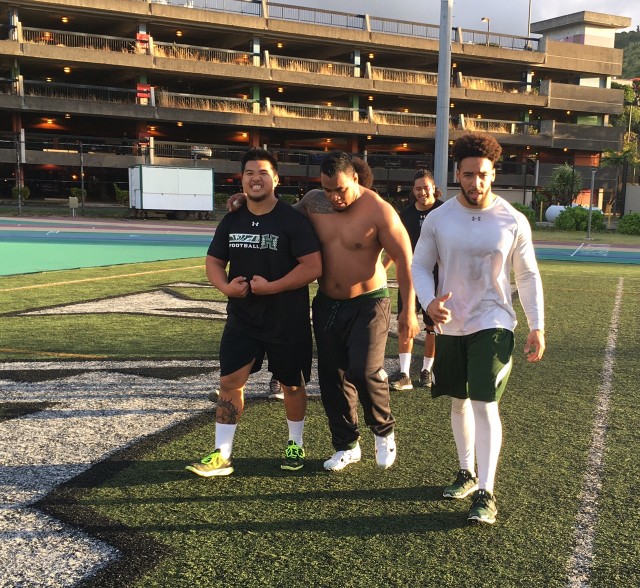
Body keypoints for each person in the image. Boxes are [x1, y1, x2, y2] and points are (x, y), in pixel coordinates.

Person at [228, 151, 418, 471]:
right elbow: (279, 216)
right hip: (328, 303)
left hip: (368, 303)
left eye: (340, 189)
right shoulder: (314, 202)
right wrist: (246, 200)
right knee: (333, 378)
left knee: (364, 370)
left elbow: (404, 260)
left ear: (355, 178)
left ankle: (383, 430)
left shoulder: (380, 212)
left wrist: (409, 312)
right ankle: (347, 444)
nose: (334, 197)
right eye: (327, 189)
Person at [412, 133, 545, 525]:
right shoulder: (439, 218)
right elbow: (420, 266)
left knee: (486, 402)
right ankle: (466, 472)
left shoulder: (512, 219)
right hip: (451, 322)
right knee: (459, 400)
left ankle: (486, 491)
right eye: (468, 175)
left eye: (483, 175)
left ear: (493, 174)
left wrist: (537, 325)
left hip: (494, 320)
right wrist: (429, 303)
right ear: (457, 174)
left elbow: (529, 274)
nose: (476, 183)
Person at [186, 148, 322, 477]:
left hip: (286, 320)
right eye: (249, 173)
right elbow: (214, 262)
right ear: (241, 179)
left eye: (262, 172)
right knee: (230, 382)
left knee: (291, 385)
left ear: (275, 179)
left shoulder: (292, 220)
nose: (255, 178)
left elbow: (313, 266)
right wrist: (225, 288)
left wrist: (273, 287)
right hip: (243, 319)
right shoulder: (233, 218)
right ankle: (222, 454)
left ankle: (295, 443)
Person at [383, 170, 443, 390]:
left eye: (426, 187)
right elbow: (394, 247)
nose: (422, 192)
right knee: (404, 323)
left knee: (431, 326)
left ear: (433, 188)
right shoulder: (405, 215)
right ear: (413, 191)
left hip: (437, 278)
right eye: (418, 188)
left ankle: (427, 370)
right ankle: (404, 374)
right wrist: (381, 268)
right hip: (410, 277)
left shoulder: (444, 211)